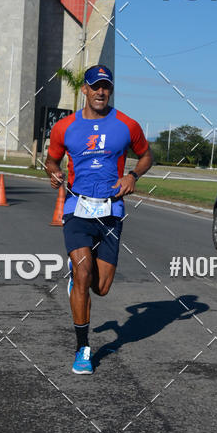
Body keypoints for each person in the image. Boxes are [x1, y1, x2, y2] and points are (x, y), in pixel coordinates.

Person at [45, 65, 153, 375]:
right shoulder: (64, 127)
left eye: (106, 86)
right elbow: (51, 159)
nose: (101, 92)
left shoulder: (126, 125)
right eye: (95, 86)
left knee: (101, 287)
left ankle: (80, 280)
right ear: (85, 90)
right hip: (77, 208)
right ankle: (82, 349)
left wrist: (133, 175)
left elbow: (146, 155)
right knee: (82, 274)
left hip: (111, 211)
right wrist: (54, 173)